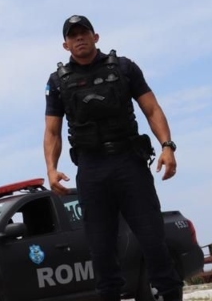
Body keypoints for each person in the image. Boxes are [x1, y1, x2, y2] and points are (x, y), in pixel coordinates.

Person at [43, 15, 183, 301]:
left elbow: (152, 109)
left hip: (129, 162)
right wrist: (52, 169)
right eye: (73, 35)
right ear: (65, 44)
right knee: (102, 251)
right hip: (91, 169)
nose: (79, 38)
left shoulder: (124, 68)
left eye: (84, 32)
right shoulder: (58, 82)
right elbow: (52, 130)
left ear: (96, 37)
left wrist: (167, 146)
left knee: (153, 242)